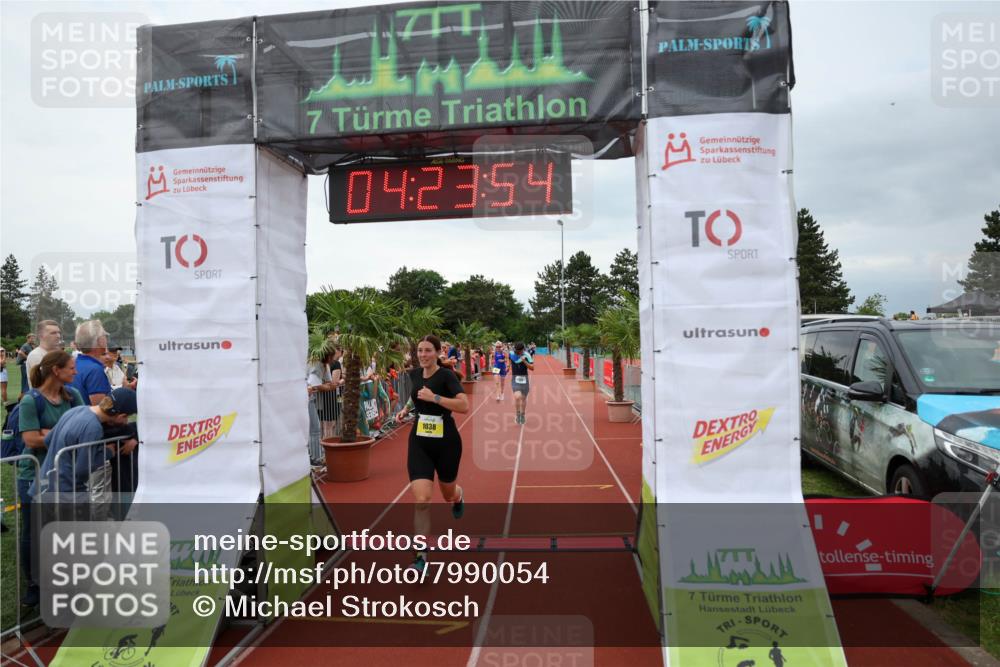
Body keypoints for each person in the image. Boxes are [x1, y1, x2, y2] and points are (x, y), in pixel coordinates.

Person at [394, 335, 469, 573]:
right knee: (422, 500)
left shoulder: (446, 376)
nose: (423, 355)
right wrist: (406, 409)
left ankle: (458, 497)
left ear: (437, 352)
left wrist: (435, 398)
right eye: (420, 351)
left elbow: (464, 405)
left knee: (447, 494)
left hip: (446, 442)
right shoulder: (415, 374)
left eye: (428, 351)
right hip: (420, 442)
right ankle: (421, 556)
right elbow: (414, 394)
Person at [16, 350, 85, 606]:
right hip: (34, 477)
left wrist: (50, 433)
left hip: (64, 476)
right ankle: (34, 585)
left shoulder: (73, 396)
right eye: (71, 368)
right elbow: (30, 439)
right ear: (57, 370)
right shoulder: (30, 401)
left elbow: (84, 429)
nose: (75, 372)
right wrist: (62, 434)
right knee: (33, 533)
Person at [68, 320, 113, 405]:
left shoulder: (75, 363)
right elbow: (100, 409)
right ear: (100, 341)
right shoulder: (95, 370)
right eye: (105, 336)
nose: (106, 339)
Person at [25, 320, 62, 388]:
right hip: (43, 398)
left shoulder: (58, 354)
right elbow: (47, 383)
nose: (58, 336)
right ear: (40, 336)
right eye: (53, 333)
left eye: (59, 333)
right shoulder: (36, 355)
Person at [509, 342, 534, 425]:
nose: (518, 353)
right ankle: (517, 414)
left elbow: (532, 368)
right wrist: (509, 366)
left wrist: (524, 361)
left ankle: (522, 415)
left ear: (523, 350)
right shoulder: (511, 353)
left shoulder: (527, 355)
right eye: (516, 351)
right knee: (517, 397)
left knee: (523, 398)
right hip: (515, 378)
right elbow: (509, 358)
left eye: (519, 351)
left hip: (524, 379)